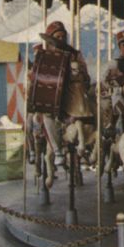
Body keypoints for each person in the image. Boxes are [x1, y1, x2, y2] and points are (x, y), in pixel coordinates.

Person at [30, 21, 92, 187]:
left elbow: (86, 77)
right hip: (54, 99)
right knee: (44, 116)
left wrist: (80, 73)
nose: (61, 39)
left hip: (73, 94)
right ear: (51, 39)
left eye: (63, 36)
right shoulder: (46, 56)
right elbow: (37, 79)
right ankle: (55, 151)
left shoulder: (74, 55)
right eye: (57, 37)